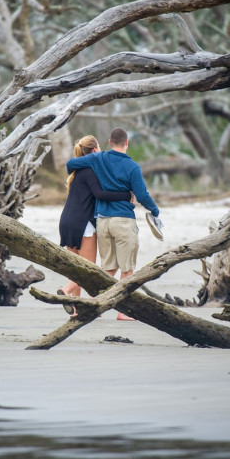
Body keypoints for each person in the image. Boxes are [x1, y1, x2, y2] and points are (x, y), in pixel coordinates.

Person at [66, 127, 161, 320]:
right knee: (127, 269)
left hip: (102, 222)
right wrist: (155, 210)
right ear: (127, 143)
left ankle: (94, 305)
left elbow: (70, 164)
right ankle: (122, 312)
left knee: (108, 268)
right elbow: (142, 195)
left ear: (109, 142)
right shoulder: (133, 167)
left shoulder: (99, 158)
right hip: (123, 221)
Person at [58, 135, 132, 316]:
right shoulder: (90, 171)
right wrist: (125, 195)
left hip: (67, 221)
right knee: (88, 269)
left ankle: (75, 308)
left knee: (77, 266)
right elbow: (100, 194)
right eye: (98, 146)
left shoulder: (78, 171)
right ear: (94, 150)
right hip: (83, 224)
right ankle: (66, 290)